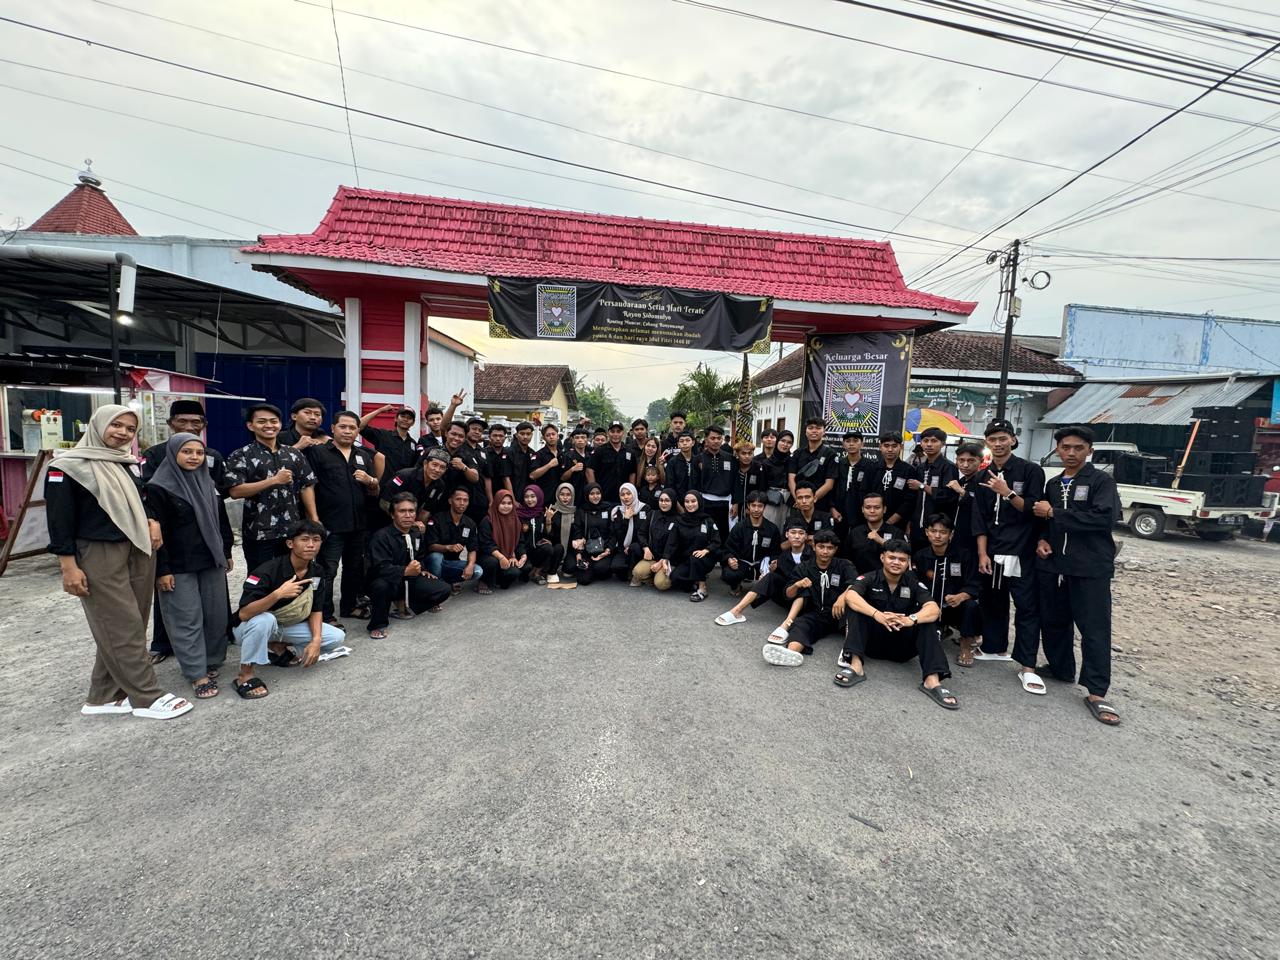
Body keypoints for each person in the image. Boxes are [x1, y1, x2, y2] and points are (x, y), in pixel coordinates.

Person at [46, 404, 192, 720]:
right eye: (116, 425)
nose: (123, 433)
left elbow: (140, 499)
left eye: (130, 428)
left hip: (137, 546)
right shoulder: (67, 467)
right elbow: (59, 520)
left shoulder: (127, 463)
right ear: (98, 425)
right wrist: (68, 566)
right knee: (121, 625)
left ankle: (103, 695)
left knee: (129, 624)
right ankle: (147, 696)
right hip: (99, 551)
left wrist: (151, 519)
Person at [1032, 425, 1123, 725]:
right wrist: (1042, 539)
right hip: (1055, 565)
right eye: (1065, 447)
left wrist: (1053, 514)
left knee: (1094, 628)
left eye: (1078, 448)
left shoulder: (1101, 481)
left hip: (1090, 567)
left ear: (1089, 450)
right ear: (1057, 449)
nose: (1071, 453)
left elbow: (1103, 519)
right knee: (1054, 620)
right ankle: (1061, 668)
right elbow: (1044, 523)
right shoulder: (1053, 484)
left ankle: (1096, 691)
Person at [138, 398, 228, 664]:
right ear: (170, 423)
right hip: (176, 540)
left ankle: (215, 648)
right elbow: (151, 496)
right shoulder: (155, 455)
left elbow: (219, 498)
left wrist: (224, 548)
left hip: (208, 544)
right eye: (182, 421)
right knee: (175, 601)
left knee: (214, 605)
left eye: (196, 422)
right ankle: (163, 643)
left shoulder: (212, 456)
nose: (189, 425)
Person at [148, 433, 234, 700]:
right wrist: (162, 570)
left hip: (210, 560)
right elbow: (157, 537)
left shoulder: (207, 482)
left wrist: (226, 552)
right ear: (173, 453)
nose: (194, 457)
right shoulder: (158, 488)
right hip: (178, 564)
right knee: (186, 619)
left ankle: (211, 660)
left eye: (199, 452)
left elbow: (221, 520)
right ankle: (197, 673)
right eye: (187, 452)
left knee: (215, 615)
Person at [835, 538, 958, 710]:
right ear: (882, 558)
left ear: (908, 563)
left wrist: (910, 619)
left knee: (927, 620)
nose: (896, 562)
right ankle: (856, 667)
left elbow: (933, 609)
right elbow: (851, 596)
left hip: (902, 647)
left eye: (902, 559)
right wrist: (877, 614)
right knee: (856, 608)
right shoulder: (869, 578)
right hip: (871, 644)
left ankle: (932, 681)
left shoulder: (914, 583)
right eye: (892, 557)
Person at [232, 520, 348, 699]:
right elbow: (244, 614)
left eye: (316, 540)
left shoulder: (317, 571)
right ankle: (244, 675)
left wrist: (316, 641)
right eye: (305, 539)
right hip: (246, 629)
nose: (311, 545)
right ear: (290, 543)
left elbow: (316, 609)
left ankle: (275, 646)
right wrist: (277, 594)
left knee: (335, 637)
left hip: (283, 626)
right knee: (266, 619)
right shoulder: (267, 570)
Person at [971, 418, 1045, 684]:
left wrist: (1008, 493)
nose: (998, 444)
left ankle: (1027, 665)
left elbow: (1035, 510)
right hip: (993, 549)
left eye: (1003, 438)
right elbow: (979, 519)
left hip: (1021, 549)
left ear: (1013, 440)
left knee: (1026, 607)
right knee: (993, 601)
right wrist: (982, 553)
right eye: (993, 439)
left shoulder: (1030, 471)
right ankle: (995, 647)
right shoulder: (981, 476)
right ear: (986, 442)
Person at [304, 410, 382, 625]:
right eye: (343, 426)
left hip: (359, 524)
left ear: (358, 431)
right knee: (327, 570)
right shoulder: (318, 453)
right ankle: (325, 615)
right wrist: (314, 518)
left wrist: (371, 481)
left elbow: (374, 491)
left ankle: (349, 607)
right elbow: (308, 486)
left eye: (352, 428)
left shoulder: (363, 455)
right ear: (333, 428)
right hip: (330, 524)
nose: (347, 431)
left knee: (354, 569)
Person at [225, 403, 319, 571]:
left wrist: (313, 518)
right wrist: (273, 480)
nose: (269, 425)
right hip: (259, 532)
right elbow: (235, 491)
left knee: (293, 574)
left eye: (273, 421)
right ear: (250, 425)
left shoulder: (293, 453)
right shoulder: (241, 455)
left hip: (292, 530)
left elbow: (306, 486)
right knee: (260, 577)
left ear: (280, 424)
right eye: (262, 421)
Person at [761, 529, 857, 666]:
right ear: (814, 547)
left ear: (835, 549)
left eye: (829, 548)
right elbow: (788, 594)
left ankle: (848, 651)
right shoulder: (804, 567)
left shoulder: (845, 565)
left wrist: (842, 597)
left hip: (839, 613)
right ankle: (790, 653)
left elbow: (855, 583)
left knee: (854, 614)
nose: (825, 551)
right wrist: (797, 585)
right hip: (816, 613)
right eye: (821, 547)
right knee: (800, 625)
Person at [365, 492, 452, 638]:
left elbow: (420, 556)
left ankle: (405, 606)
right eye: (402, 511)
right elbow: (379, 568)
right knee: (380, 586)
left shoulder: (416, 533)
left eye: (411, 511)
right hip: (387, 580)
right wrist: (405, 570)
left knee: (443, 589)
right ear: (392, 514)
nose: (407, 515)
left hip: (410, 579)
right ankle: (378, 624)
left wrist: (422, 569)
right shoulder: (381, 536)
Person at [913, 513, 981, 668]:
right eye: (933, 531)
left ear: (951, 534)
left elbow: (974, 584)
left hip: (955, 607)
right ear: (927, 532)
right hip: (930, 606)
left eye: (943, 532)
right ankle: (939, 628)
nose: (937, 536)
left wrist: (961, 596)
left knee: (971, 606)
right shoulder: (920, 556)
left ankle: (966, 644)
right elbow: (915, 583)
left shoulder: (964, 555)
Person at [714, 519, 811, 624]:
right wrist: (769, 574)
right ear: (787, 535)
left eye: (801, 533)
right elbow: (781, 580)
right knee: (770, 577)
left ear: (806, 536)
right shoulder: (783, 557)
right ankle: (736, 611)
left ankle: (788, 623)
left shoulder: (814, 555)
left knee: (804, 586)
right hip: (789, 596)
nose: (797, 536)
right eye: (793, 532)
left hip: (809, 601)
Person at [720, 491, 781, 595]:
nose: (756, 509)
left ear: (764, 507)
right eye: (753, 505)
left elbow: (776, 551)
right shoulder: (739, 527)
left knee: (779, 574)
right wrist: (730, 559)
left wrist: (774, 562)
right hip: (742, 563)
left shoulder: (772, 529)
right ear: (748, 506)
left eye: (760, 506)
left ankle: (763, 587)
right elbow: (728, 549)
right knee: (729, 574)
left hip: (762, 564)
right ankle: (736, 586)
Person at [665, 490, 721, 601]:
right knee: (675, 578)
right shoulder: (679, 520)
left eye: (693, 501)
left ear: (699, 502)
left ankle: (702, 588)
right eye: (687, 501)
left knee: (696, 557)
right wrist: (665, 558)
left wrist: (706, 550)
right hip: (687, 559)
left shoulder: (707, 520)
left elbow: (717, 541)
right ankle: (694, 580)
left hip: (704, 558)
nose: (690, 504)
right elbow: (672, 542)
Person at [909, 427, 960, 548]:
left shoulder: (948, 467)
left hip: (938, 528)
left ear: (943, 444)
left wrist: (922, 486)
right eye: (925, 441)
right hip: (918, 525)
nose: (929, 444)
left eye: (934, 441)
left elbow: (948, 497)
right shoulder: (921, 467)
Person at [425, 487, 484, 591]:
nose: (462, 503)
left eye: (465, 500)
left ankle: (447, 582)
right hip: (433, 563)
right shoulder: (437, 519)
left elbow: (472, 549)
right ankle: (436, 588)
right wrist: (448, 547)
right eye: (458, 499)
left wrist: (470, 565)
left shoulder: (470, 523)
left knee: (477, 571)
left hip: (452, 562)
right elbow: (430, 546)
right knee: (436, 557)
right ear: (450, 501)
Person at [383, 447, 451, 525]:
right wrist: (404, 520)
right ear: (425, 463)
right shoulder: (404, 476)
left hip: (410, 521)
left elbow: (425, 511)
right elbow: (384, 501)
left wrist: (418, 525)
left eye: (442, 467)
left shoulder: (440, 486)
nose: (437, 470)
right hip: (387, 517)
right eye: (434, 465)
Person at [479, 489, 529, 591]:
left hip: (509, 555)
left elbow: (520, 542)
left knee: (525, 567)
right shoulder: (488, 520)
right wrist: (501, 557)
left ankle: (500, 580)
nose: (506, 506)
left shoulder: (516, 520)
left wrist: (522, 556)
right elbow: (486, 545)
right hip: (491, 556)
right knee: (492, 562)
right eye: (503, 503)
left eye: (509, 503)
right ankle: (486, 579)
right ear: (497, 503)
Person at [844, 491, 905, 573]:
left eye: (877, 507)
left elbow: (902, 556)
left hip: (888, 578)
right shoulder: (854, 533)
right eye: (868, 507)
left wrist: (881, 541)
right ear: (862, 509)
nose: (872, 511)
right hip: (861, 578)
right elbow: (847, 561)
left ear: (884, 509)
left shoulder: (897, 532)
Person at [633, 487, 679, 589]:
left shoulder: (678, 519)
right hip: (653, 556)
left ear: (673, 501)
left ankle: (660, 575)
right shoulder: (653, 514)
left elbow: (674, 543)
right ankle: (653, 575)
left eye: (667, 500)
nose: (663, 503)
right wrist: (645, 548)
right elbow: (641, 533)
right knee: (637, 572)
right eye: (661, 500)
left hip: (669, 559)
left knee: (661, 584)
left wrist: (662, 561)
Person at [441, 421, 486, 523]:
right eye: (453, 434)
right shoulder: (435, 451)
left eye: (461, 436)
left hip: (459, 504)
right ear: (446, 433)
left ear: (464, 438)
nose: (456, 438)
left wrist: (463, 467)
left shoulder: (467, 455)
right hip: (436, 500)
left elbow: (475, 477)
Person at [359, 404, 422, 477]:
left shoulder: (413, 444)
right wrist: (380, 410)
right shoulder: (383, 435)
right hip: (383, 483)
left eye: (409, 418)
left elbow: (414, 469)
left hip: (403, 483)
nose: (405, 419)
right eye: (403, 416)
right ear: (396, 419)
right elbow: (359, 425)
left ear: (413, 423)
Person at [788, 417, 837, 512]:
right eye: (810, 428)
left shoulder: (830, 454)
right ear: (806, 431)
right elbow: (791, 479)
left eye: (818, 428)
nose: (814, 431)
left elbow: (829, 484)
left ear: (824, 431)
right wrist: (798, 499)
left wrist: (810, 500)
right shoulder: (797, 453)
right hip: (797, 504)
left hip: (819, 505)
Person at [695, 424, 734, 543]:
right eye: (713, 438)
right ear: (706, 440)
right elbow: (694, 482)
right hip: (706, 502)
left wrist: (736, 503)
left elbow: (735, 481)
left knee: (724, 533)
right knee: (707, 532)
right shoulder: (698, 458)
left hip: (725, 503)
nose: (716, 441)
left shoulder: (730, 458)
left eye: (719, 438)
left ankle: (723, 554)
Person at [867, 432, 915, 528]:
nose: (890, 449)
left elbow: (910, 499)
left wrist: (891, 520)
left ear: (901, 447)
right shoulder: (872, 468)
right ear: (880, 447)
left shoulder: (909, 470)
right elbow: (864, 492)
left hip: (899, 522)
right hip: (872, 519)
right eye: (886, 446)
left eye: (894, 446)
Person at [572, 482, 615, 585]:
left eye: (598, 493)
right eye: (592, 494)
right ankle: (591, 567)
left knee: (601, 570)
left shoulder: (608, 509)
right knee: (583, 580)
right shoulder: (581, 511)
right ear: (587, 495)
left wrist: (608, 550)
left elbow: (613, 533)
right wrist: (579, 557)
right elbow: (577, 533)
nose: (595, 496)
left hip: (604, 549)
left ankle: (597, 568)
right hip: (587, 549)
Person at [830, 430, 869, 541]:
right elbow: (831, 488)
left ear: (862, 444)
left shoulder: (870, 466)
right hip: (839, 512)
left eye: (855, 441)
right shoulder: (838, 464)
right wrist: (832, 508)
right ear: (843, 444)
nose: (851, 444)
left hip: (861, 514)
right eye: (848, 441)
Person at [517, 484, 559, 585]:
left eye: (533, 496)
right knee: (524, 574)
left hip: (536, 550)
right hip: (523, 551)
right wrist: (522, 553)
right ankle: (529, 570)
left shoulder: (542, 514)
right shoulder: (518, 514)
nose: (529, 500)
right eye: (526, 497)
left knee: (548, 548)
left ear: (539, 497)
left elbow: (548, 535)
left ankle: (536, 572)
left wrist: (548, 520)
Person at [949, 441, 985, 554]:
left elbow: (982, 508)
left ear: (981, 461)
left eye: (971, 461)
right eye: (961, 460)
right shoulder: (960, 481)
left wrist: (962, 492)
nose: (965, 465)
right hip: (956, 534)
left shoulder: (984, 482)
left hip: (974, 537)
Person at [609, 482, 648, 582]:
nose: (625, 497)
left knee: (634, 548)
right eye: (622, 494)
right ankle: (629, 570)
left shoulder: (645, 508)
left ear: (634, 493)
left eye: (628, 493)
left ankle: (637, 571)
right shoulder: (617, 511)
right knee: (616, 568)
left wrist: (632, 546)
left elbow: (645, 532)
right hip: (623, 547)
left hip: (639, 547)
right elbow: (618, 535)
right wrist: (626, 519)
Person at [587, 419, 635, 500]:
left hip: (624, 498)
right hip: (603, 497)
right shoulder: (599, 451)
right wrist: (594, 491)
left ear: (623, 433)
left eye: (618, 431)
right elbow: (589, 470)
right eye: (612, 431)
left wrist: (631, 491)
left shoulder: (630, 451)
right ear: (608, 433)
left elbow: (632, 473)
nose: (615, 434)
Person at [755, 428, 791, 530]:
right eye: (783, 441)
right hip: (771, 500)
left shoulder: (793, 460)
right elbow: (761, 486)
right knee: (769, 527)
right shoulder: (764, 462)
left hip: (788, 501)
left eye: (789, 442)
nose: (785, 444)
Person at [546, 482, 580, 586]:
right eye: (562, 494)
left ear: (572, 495)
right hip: (555, 547)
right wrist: (548, 520)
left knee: (569, 570)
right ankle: (551, 572)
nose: (565, 497)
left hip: (570, 548)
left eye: (568, 495)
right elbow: (547, 535)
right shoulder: (552, 510)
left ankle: (564, 564)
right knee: (559, 548)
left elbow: (577, 533)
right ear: (557, 495)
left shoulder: (575, 511)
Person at [729, 441, 767, 522]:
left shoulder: (758, 468)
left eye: (750, 453)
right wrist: (735, 503)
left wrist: (751, 507)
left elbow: (761, 489)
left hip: (752, 507)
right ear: (737, 454)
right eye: (743, 453)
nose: (747, 456)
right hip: (733, 505)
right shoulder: (733, 466)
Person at [530, 423, 566, 504]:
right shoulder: (538, 455)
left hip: (561, 498)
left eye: (553, 434)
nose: (551, 437)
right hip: (544, 496)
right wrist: (549, 465)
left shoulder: (563, 454)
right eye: (548, 435)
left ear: (557, 436)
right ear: (544, 438)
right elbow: (532, 475)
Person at [559, 427, 592, 504]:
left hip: (588, 494)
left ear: (587, 439)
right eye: (577, 438)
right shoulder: (567, 456)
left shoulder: (591, 456)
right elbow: (562, 478)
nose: (580, 440)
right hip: (572, 495)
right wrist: (572, 469)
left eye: (583, 437)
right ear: (573, 440)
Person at [507, 421, 538, 498]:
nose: (525, 437)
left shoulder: (532, 453)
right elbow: (506, 478)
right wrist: (512, 498)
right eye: (522, 434)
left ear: (532, 435)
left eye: (528, 434)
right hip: (513, 496)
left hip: (528, 497)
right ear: (517, 435)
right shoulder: (509, 452)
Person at [666, 431, 698, 500]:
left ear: (693, 443)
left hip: (695, 501)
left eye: (687, 440)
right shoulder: (672, 462)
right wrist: (677, 504)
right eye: (681, 441)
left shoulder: (698, 461)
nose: (685, 443)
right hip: (677, 501)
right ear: (678, 444)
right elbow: (669, 485)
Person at [486, 422, 514, 497]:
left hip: (506, 495)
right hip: (487, 495)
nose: (498, 439)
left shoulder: (510, 453)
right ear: (489, 437)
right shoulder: (483, 454)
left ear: (505, 437)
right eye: (495, 436)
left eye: (501, 436)